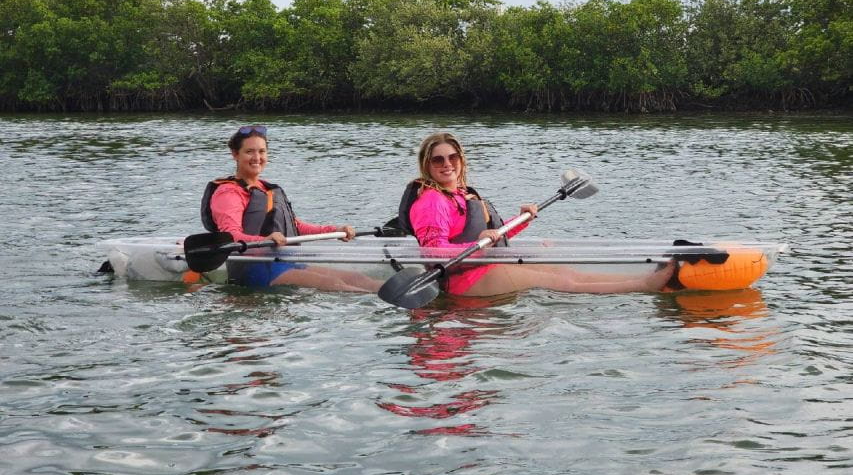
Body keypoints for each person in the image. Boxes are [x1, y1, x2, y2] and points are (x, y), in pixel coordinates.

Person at [397, 132, 675, 297]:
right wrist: (480, 245)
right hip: (461, 280)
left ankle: (643, 280)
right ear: (427, 165)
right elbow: (431, 252)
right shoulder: (431, 201)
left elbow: (489, 233)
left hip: (483, 264)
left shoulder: (461, 192)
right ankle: (644, 286)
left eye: (453, 157)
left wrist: (520, 222)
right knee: (560, 283)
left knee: (563, 271)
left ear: (461, 159)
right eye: (438, 160)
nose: (447, 165)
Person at [200, 125, 380, 292]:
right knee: (331, 284)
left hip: (282, 262)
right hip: (251, 268)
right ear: (235, 154)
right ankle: (388, 308)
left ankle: (402, 297)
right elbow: (230, 236)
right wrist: (265, 239)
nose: (257, 158)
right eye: (249, 152)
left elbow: (296, 227)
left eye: (262, 151)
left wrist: (336, 230)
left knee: (357, 278)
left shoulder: (267, 189)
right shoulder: (228, 193)